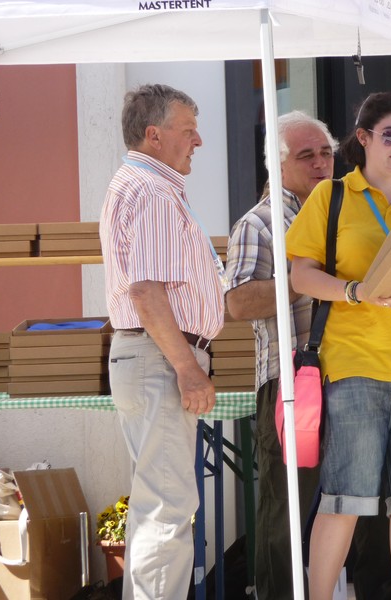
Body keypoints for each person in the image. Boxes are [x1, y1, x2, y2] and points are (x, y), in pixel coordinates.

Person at [285, 91, 391, 600]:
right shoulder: (332, 195)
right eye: (390, 134)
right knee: (345, 500)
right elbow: (300, 275)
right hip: (354, 366)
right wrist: (356, 291)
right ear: (363, 138)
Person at [99, 83, 224, 600]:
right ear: (155, 135)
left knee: (159, 503)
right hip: (162, 358)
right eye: (188, 129)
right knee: (167, 507)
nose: (198, 140)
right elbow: (147, 291)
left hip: (150, 355)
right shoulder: (152, 191)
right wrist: (187, 368)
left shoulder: (143, 184)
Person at [225, 110, 336, 599]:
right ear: (278, 163)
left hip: (355, 375)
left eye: (326, 153)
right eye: (306, 155)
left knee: (363, 505)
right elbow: (238, 302)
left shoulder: (346, 214)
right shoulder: (261, 222)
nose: (320, 164)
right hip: (293, 381)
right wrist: (307, 280)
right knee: (285, 511)